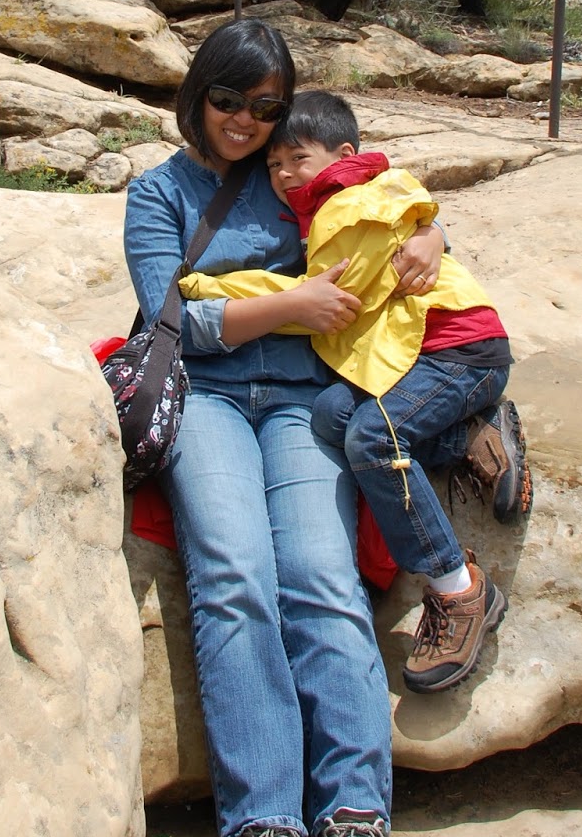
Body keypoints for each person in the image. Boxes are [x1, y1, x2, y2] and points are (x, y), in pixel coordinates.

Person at [122, 21, 445, 837]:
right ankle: (263, 828)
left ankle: (354, 823)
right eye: (228, 100)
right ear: (197, 95)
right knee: (234, 575)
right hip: (210, 397)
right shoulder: (158, 194)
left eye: (266, 107)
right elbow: (172, 319)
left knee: (320, 577)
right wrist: (291, 305)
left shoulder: (294, 174)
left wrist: (432, 232)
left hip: (306, 398)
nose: (246, 122)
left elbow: (387, 201)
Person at [180, 89, 532, 695]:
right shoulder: (336, 202)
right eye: (275, 164)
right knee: (330, 415)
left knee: (373, 436)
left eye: (298, 158)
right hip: (411, 357)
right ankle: (470, 435)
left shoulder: (349, 202)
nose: (284, 174)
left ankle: (458, 589)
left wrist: (213, 289)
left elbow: (335, 299)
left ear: (343, 155)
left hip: (455, 351)